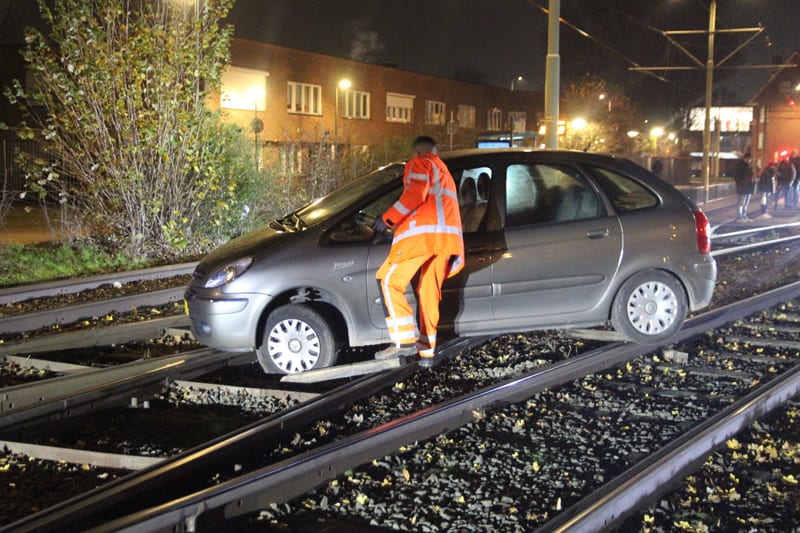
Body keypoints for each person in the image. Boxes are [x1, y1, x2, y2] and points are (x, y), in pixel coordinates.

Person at [371, 136, 464, 368]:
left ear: (417, 150)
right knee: (428, 294)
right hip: (446, 242)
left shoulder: (419, 163)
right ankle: (427, 353)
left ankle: (403, 342)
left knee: (387, 280)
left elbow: (414, 195)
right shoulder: (444, 172)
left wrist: (387, 219)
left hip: (424, 238)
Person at [733, 152, 755, 220]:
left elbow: (752, 176)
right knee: (741, 201)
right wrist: (742, 183)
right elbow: (737, 177)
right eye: (748, 159)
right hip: (742, 187)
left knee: (746, 202)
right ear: (745, 158)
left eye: (750, 159)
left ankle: (744, 215)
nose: (749, 160)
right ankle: (739, 216)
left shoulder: (749, 166)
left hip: (748, 187)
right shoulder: (740, 166)